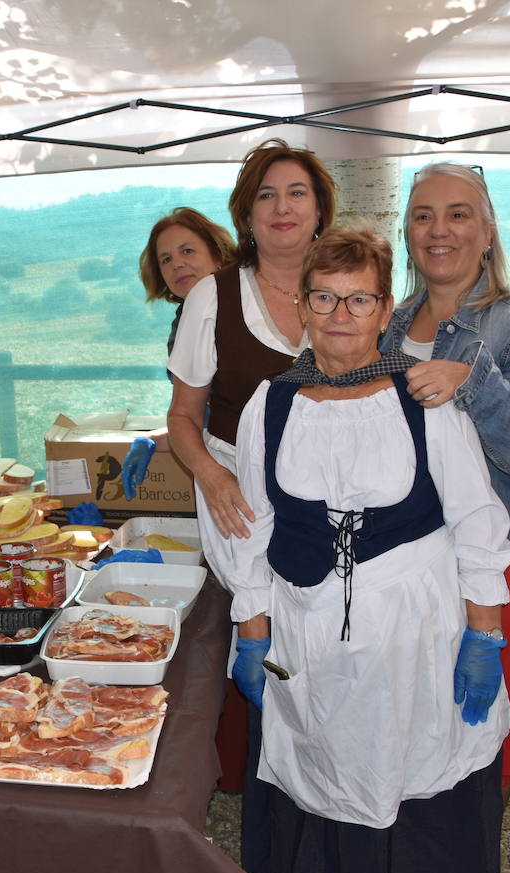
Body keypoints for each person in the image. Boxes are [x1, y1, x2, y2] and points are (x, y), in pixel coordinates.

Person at [229, 224, 510, 873]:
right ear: (302, 306)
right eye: (324, 299)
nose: (340, 317)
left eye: (359, 301)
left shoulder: (422, 404)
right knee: (319, 773)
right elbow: (250, 531)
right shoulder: (270, 405)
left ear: (386, 311)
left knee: (416, 783)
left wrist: (484, 636)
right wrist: (252, 632)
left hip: (418, 640)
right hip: (307, 638)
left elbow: (477, 521)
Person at [379, 163, 510, 794]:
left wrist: (472, 381)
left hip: (493, 553)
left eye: (458, 215)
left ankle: (473, 854)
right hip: (414, 548)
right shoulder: (394, 324)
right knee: (426, 712)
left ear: (486, 232)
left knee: (488, 728)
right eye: (423, 216)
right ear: (407, 234)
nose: (439, 230)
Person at [166, 138, 337, 582]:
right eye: (267, 195)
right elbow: (183, 415)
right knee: (260, 626)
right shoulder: (212, 297)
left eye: (297, 193)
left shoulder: (349, 290)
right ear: (246, 215)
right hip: (240, 497)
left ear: (319, 210)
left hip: (335, 497)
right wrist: (211, 477)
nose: (283, 207)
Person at [122, 207, 238, 497]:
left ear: (218, 254)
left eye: (187, 251)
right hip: (221, 471)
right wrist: (157, 439)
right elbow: (206, 414)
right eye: (166, 259)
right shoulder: (184, 321)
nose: (177, 264)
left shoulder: (241, 312)